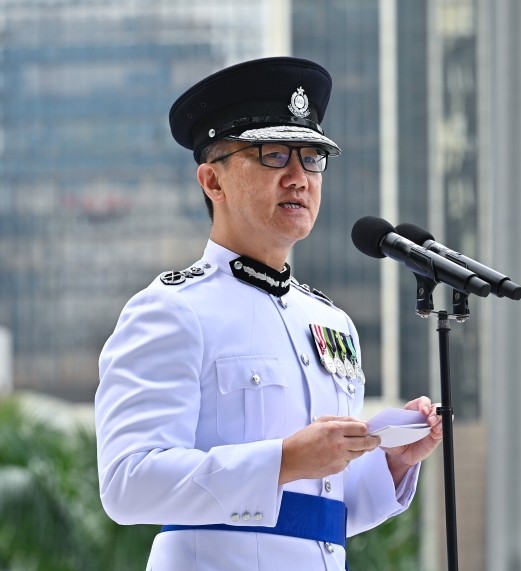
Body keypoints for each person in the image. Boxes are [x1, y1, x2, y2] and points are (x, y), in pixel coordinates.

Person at [95, 56, 443, 571]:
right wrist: (285, 459)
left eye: (313, 158)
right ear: (212, 181)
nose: (299, 178)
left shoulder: (331, 323)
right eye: (274, 155)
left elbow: (320, 514)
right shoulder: (171, 310)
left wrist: (390, 461)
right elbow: (127, 484)